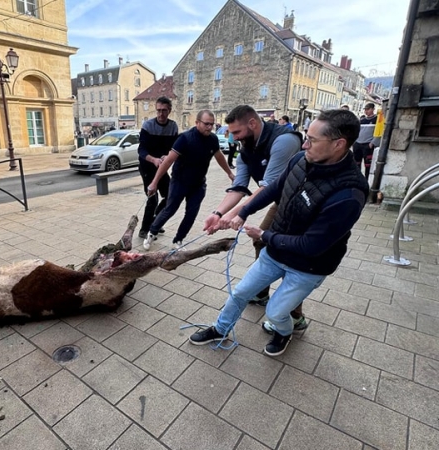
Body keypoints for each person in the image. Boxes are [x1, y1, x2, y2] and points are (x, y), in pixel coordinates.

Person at [190, 109, 369, 356]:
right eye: (307, 136)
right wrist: (242, 212)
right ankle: (220, 329)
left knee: (275, 312)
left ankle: (284, 333)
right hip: (275, 254)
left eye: (313, 140)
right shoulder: (301, 160)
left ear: (339, 144)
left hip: (308, 267)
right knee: (241, 292)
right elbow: (274, 188)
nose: (305, 144)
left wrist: (263, 236)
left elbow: (312, 246)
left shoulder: (349, 194)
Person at [203, 105, 302, 319]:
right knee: (261, 240)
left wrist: (237, 215)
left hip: (305, 204)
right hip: (282, 201)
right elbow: (239, 187)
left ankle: (295, 317)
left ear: (253, 123)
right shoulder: (245, 150)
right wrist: (218, 214)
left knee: (292, 257)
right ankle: (262, 293)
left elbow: (267, 187)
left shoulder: (284, 141)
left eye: (237, 132)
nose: (234, 138)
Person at [143, 110, 234, 250]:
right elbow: (168, 162)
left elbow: (219, 156)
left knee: (191, 214)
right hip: (179, 182)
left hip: (198, 185)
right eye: (206, 124)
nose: (209, 127)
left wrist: (229, 173)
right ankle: (152, 232)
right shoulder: (185, 139)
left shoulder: (212, 140)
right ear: (197, 122)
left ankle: (178, 240)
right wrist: (154, 182)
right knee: (170, 209)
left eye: (212, 124)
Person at [137, 97, 179, 239]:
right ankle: (144, 229)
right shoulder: (148, 126)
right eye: (159, 110)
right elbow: (141, 150)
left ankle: (156, 222)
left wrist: (165, 157)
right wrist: (153, 159)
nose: (161, 114)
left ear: (169, 111)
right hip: (147, 166)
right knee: (152, 198)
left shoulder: (173, 127)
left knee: (170, 196)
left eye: (164, 111)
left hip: (161, 167)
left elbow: (173, 149)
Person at [353, 103, 380, 179]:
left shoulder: (377, 120)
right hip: (358, 144)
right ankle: (357, 178)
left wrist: (373, 143)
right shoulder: (362, 120)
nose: (366, 111)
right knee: (356, 163)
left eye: (368, 109)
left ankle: (367, 180)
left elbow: (379, 132)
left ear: (372, 109)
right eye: (365, 109)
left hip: (367, 145)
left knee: (368, 165)